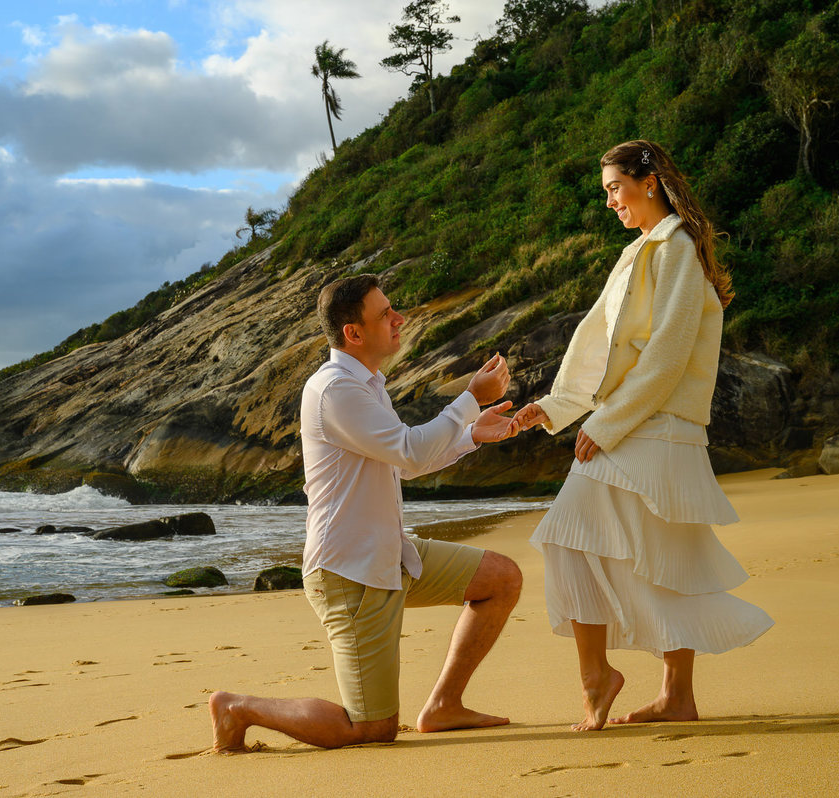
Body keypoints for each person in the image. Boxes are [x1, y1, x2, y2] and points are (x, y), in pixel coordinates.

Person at [514, 140, 773, 731]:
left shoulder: (675, 249)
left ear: (648, 181)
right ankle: (673, 696)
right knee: (663, 559)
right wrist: (552, 408)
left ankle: (598, 678)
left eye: (614, 187)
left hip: (652, 428)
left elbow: (668, 354)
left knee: (571, 536)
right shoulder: (642, 251)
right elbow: (600, 346)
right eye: (605, 191)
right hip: (646, 424)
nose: (610, 201)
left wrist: (603, 425)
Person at [210, 273, 524, 752]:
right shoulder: (336, 389)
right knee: (369, 730)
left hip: (389, 555)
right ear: (354, 333)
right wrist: (469, 400)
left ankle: (444, 706)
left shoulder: (367, 383)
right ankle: (238, 707)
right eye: (385, 314)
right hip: (350, 572)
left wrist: (472, 435)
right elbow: (411, 451)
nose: (399, 319)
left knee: (501, 578)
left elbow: (405, 462)